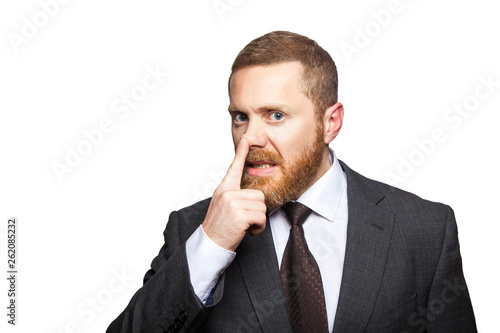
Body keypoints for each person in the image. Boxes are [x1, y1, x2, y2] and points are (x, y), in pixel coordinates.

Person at [107, 31, 476, 333]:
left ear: (330, 123)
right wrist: (212, 245)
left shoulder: (424, 229)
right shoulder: (193, 230)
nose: (250, 138)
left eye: (276, 115)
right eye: (240, 117)